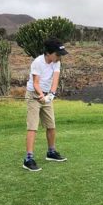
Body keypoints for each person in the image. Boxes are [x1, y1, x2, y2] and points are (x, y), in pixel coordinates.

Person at [22, 38, 68, 171]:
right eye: (58, 54)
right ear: (49, 53)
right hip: (34, 95)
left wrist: (51, 95)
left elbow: (55, 79)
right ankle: (28, 159)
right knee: (33, 127)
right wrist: (41, 96)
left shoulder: (56, 62)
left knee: (51, 125)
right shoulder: (38, 62)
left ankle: (51, 152)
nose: (60, 57)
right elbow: (36, 83)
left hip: (47, 95)